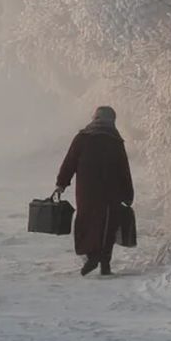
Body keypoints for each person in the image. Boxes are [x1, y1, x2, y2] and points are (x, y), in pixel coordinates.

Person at [54, 105, 135, 276]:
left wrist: (61, 183)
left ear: (95, 118)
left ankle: (92, 256)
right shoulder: (115, 141)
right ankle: (104, 263)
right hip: (111, 191)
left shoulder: (83, 138)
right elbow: (123, 170)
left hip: (87, 191)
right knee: (108, 225)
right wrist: (128, 194)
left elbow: (70, 162)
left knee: (87, 221)